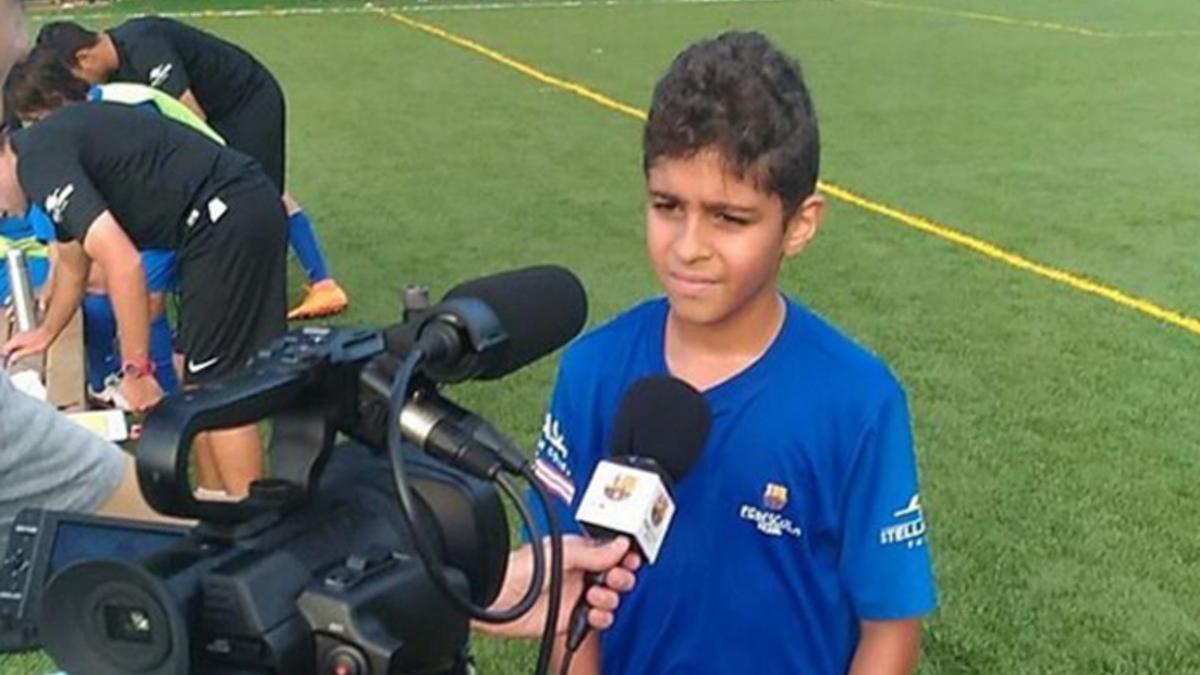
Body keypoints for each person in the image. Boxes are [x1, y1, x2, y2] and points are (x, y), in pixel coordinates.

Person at [529, 32, 938, 674]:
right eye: (668, 206)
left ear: (798, 225)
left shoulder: (858, 400)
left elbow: (889, 629)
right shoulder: (592, 371)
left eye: (729, 218)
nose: (689, 246)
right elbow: (563, 602)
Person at [0, 102, 287, 498]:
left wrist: (136, 369)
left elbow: (123, 263)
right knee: (202, 384)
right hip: (224, 218)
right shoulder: (43, 154)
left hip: (227, 216)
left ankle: (261, 538)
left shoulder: (40, 165)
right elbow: (72, 264)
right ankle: (215, 508)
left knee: (221, 394)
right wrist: (47, 332)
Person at [36, 17, 349, 320]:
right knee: (248, 190)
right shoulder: (118, 68)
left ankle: (316, 285)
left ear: (84, 58)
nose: (75, 90)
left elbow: (191, 118)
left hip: (247, 101)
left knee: (260, 192)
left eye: (73, 80)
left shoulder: (144, 47)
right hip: (217, 110)